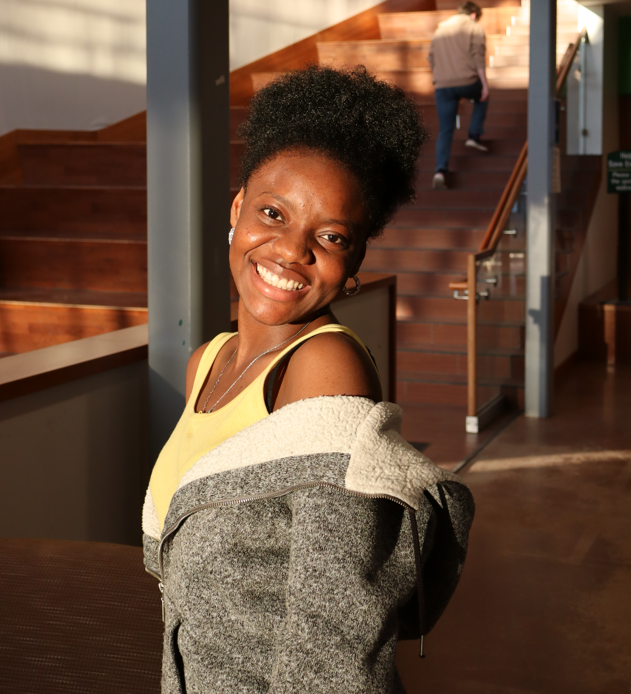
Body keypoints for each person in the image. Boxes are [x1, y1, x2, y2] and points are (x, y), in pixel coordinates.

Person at [142, 65, 474, 694]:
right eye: (273, 212)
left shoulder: (325, 368)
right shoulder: (207, 361)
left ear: (353, 265)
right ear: (238, 209)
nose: (293, 250)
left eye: (330, 236)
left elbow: (335, 629)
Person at [428, 1, 490, 190]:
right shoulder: (474, 28)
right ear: (473, 15)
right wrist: (485, 85)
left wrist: (441, 75)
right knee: (482, 96)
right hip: (468, 81)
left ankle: (440, 171)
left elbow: (430, 57)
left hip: (443, 86)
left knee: (445, 129)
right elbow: (478, 56)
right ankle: (473, 134)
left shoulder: (440, 30)